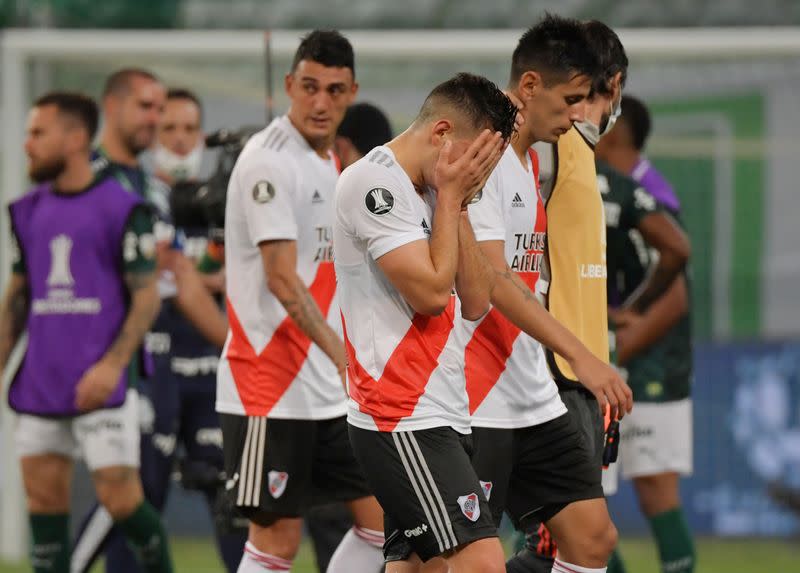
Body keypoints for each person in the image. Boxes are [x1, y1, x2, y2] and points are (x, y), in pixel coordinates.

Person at [465, 15, 633, 573]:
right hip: (476, 391)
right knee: (459, 560)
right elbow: (493, 280)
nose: (579, 115)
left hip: (531, 388)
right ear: (530, 86)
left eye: (588, 99)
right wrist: (581, 356)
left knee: (591, 540)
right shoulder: (482, 153)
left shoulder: (530, 158)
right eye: (572, 99)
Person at [216, 30, 385, 573]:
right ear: (289, 85)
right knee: (277, 541)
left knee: (385, 524)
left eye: (334, 91)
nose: (320, 102)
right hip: (269, 385)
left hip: (327, 388)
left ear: (351, 92)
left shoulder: (329, 162)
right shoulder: (268, 160)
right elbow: (282, 279)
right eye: (309, 87)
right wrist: (344, 355)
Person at [337, 71, 516, 572]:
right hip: (399, 417)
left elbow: (477, 298)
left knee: (419, 567)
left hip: (442, 410)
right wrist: (454, 197)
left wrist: (455, 202)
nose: (480, 177)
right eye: (479, 161)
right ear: (442, 134)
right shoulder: (374, 183)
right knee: (483, 562)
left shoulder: (439, 192)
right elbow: (434, 295)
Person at [0, 92, 173, 573]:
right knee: (44, 510)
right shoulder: (26, 211)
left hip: (104, 387)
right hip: (39, 384)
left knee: (123, 505)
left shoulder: (122, 207)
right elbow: (17, 298)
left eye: (38, 133)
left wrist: (112, 365)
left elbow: (147, 297)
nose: (27, 144)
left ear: (75, 138)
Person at [71, 69, 229, 573]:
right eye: (167, 126)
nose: (178, 137)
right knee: (137, 496)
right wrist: (203, 277)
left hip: (210, 366)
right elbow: (172, 273)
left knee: (234, 501)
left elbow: (194, 272)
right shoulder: (127, 190)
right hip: (150, 359)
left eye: (188, 128)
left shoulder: (220, 199)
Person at [596, 94, 696, 573]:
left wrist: (619, 341)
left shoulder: (643, 194)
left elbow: (675, 295)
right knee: (587, 495)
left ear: (610, 133)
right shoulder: (620, 188)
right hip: (624, 358)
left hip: (653, 362)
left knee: (655, 488)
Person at [303, 100, 394, 573]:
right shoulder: (377, 202)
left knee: (380, 530)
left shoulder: (350, 196)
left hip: (342, 386)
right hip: (343, 386)